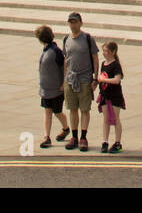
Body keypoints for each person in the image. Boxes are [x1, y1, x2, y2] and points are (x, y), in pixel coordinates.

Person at [61, 12, 99, 152]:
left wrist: (95, 78)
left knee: (84, 109)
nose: (73, 24)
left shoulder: (88, 38)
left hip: (84, 79)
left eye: (75, 22)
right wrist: (64, 79)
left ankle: (83, 137)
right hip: (70, 79)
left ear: (81, 23)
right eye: (71, 22)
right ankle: (74, 136)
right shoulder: (66, 39)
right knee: (72, 109)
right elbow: (66, 60)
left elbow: (95, 58)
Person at [35, 26, 71, 148]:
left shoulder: (55, 51)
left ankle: (66, 128)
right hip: (45, 89)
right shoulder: (45, 50)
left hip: (56, 89)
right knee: (47, 111)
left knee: (57, 112)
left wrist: (63, 83)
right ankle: (46, 137)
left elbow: (64, 67)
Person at [97, 41, 125, 153]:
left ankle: (118, 143)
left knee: (116, 118)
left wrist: (103, 80)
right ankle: (105, 141)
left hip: (115, 96)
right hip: (104, 95)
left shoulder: (116, 65)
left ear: (113, 52)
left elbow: (117, 80)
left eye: (107, 51)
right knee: (106, 119)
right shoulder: (103, 64)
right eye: (103, 50)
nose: (104, 53)